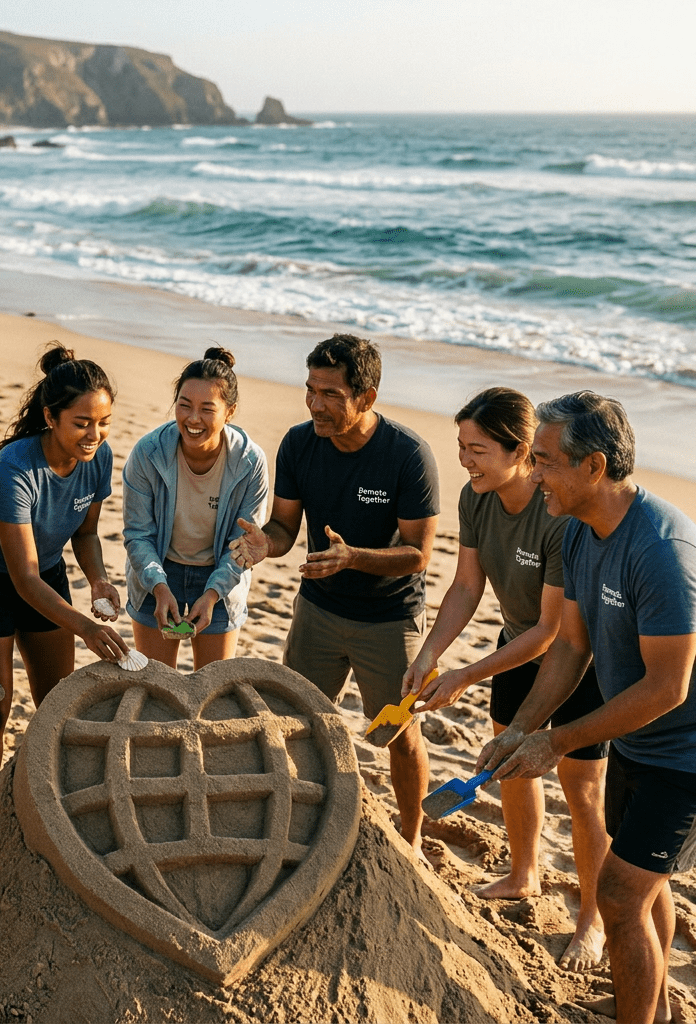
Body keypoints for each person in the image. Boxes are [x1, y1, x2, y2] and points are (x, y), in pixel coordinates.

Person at [477, 392, 696, 1024]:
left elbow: (668, 688)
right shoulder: (576, 531)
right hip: (636, 744)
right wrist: (523, 729)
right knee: (646, 894)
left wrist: (559, 740)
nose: (533, 472)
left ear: (593, 467)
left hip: (683, 756)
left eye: (543, 460)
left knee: (619, 898)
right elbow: (571, 645)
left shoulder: (660, 550)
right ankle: (646, 1002)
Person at [403, 387, 609, 972]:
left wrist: (465, 674)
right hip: (512, 649)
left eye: (479, 450)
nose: (466, 461)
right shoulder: (478, 499)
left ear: (521, 452)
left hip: (579, 661)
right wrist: (432, 653)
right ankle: (523, 874)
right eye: (462, 447)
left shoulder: (558, 519)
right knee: (509, 762)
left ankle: (590, 921)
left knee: (582, 793)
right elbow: (466, 586)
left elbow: (551, 631)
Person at [230, 334, 440, 853]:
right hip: (318, 610)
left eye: (330, 394)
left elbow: (418, 554)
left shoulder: (407, 454)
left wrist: (353, 557)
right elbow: (283, 525)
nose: (315, 405)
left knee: (396, 731)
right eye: (310, 390)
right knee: (298, 720)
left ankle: (411, 838)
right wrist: (266, 544)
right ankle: (301, 822)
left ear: (366, 397)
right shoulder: (299, 443)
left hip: (390, 618)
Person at [0, 343, 129, 805]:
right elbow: (22, 578)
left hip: (46, 574)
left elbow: (86, 535)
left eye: (104, 422)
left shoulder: (99, 458)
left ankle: (53, 801)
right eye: (82, 423)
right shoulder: (13, 468)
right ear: (51, 418)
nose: (95, 434)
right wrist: (85, 626)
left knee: (57, 706)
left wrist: (98, 580)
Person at [122, 347, 268, 669]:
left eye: (207, 409)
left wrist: (214, 593)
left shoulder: (249, 462)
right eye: (184, 406)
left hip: (220, 573)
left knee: (211, 686)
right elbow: (138, 535)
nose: (193, 419)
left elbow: (243, 545)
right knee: (156, 685)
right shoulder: (148, 453)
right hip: (157, 569)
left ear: (229, 412)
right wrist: (159, 587)